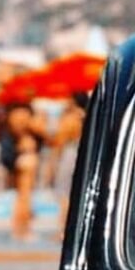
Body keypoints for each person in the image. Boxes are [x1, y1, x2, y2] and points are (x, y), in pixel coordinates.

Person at [2, 102, 41, 241]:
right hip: (24, 159)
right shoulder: (23, 115)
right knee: (25, 196)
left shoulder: (13, 114)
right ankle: (22, 228)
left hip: (19, 159)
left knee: (23, 196)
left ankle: (20, 227)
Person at [52, 91, 87, 233]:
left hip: (69, 154)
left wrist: (54, 160)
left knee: (65, 194)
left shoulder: (70, 118)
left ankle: (64, 229)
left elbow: (60, 141)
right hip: (82, 153)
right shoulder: (87, 116)